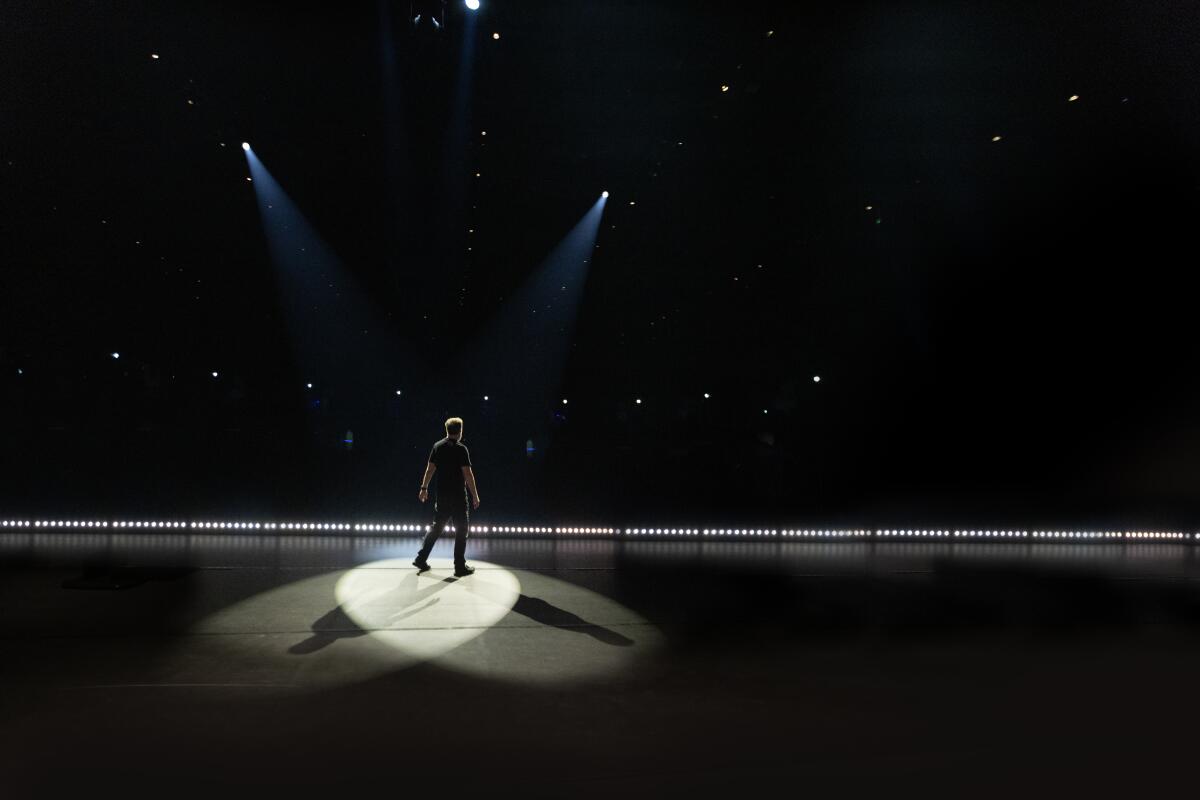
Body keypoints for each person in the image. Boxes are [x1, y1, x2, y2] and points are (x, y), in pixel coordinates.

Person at [414, 416, 481, 577]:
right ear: (460, 431)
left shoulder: (437, 446)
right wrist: (475, 495)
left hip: (442, 496)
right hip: (458, 497)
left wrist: (424, 488)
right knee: (461, 530)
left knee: (436, 528)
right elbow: (468, 474)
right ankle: (459, 566)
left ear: (447, 430)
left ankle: (421, 558)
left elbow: (430, 469)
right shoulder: (461, 449)